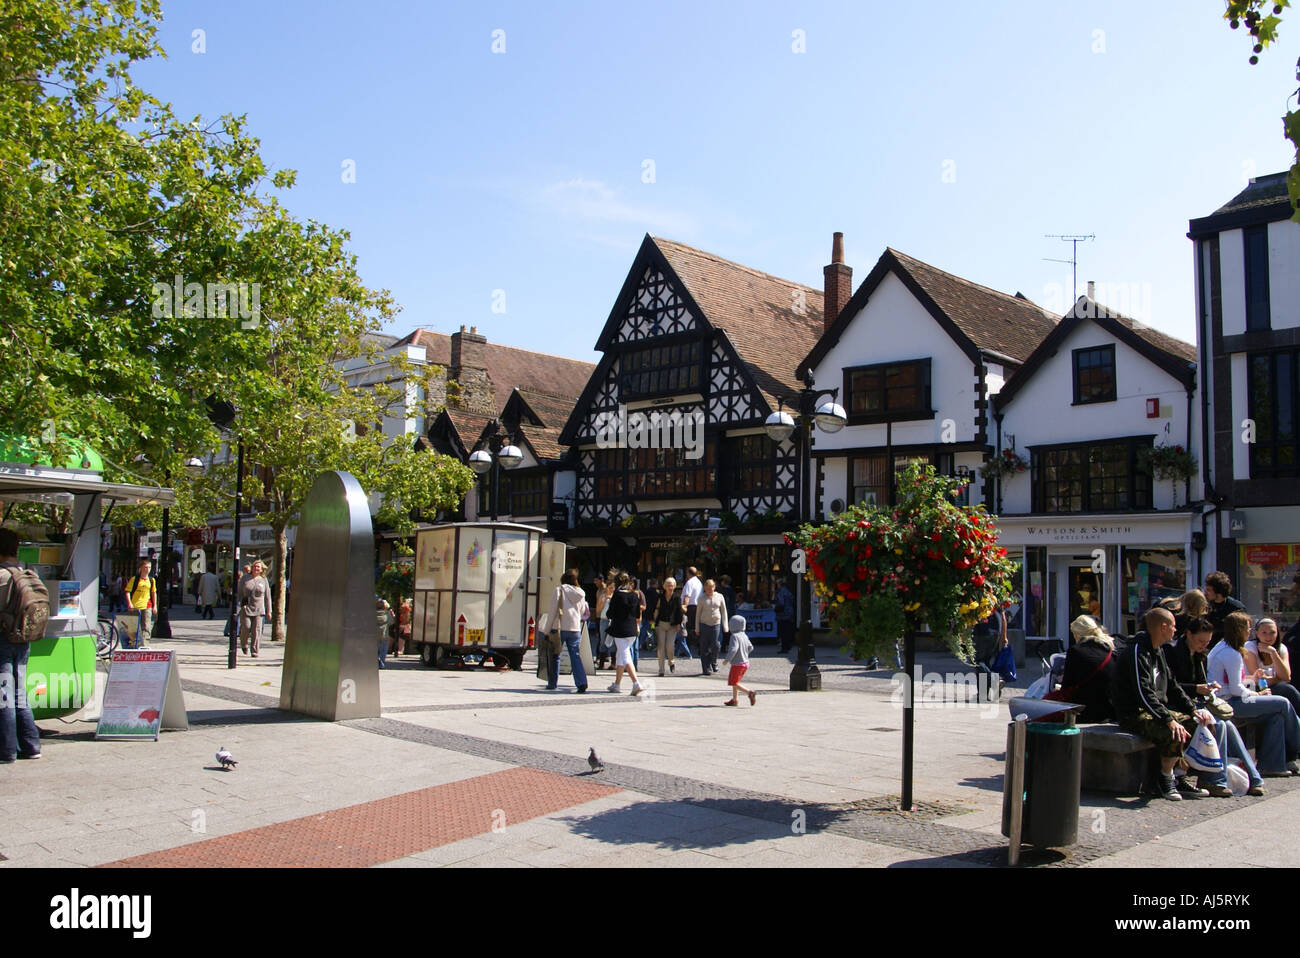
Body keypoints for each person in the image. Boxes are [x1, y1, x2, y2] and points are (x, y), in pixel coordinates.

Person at [1111, 607, 1234, 800]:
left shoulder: (1158, 650)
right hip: (1134, 712)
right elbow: (1143, 693)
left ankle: (1179, 776)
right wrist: (1168, 719)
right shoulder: (1137, 651)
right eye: (1173, 626)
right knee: (1174, 731)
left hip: (1155, 710)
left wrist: (1193, 710)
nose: (1175, 630)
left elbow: (1173, 686)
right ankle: (1165, 779)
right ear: (1163, 627)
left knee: (1195, 723)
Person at [1166, 616, 1266, 796]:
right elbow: (1171, 686)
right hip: (1179, 705)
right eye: (1200, 641)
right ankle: (1214, 780)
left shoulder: (1200, 655)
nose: (1203, 645)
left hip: (1196, 703)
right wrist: (1198, 689)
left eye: (1207, 642)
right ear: (1188, 634)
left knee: (1228, 726)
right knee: (1218, 725)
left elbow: (1201, 683)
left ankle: (1254, 778)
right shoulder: (1173, 652)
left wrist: (1209, 688)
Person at [1206, 611, 1300, 777]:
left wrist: (1252, 679)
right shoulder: (1231, 653)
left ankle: (1272, 765)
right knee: (1283, 703)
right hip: (1229, 703)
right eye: (1248, 629)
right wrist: (1257, 695)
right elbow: (1235, 690)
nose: (1249, 632)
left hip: (1233, 698)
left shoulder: (1226, 648)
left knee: (1276, 717)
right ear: (1239, 630)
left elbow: (1236, 681)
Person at [0, 529, 40, 762]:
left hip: (3, 640)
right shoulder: (28, 574)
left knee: (4, 695)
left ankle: (6, 750)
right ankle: (31, 745)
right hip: (23, 640)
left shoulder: (2, 577)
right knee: (18, 692)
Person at [1058, 615, 1122, 723]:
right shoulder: (1111, 648)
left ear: (1078, 634)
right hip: (1110, 710)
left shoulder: (1076, 651)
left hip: (1085, 711)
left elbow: (1067, 686)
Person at [1243, 617, 1300, 716]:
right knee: (1288, 691)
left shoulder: (1281, 648)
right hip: (1251, 689)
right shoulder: (1249, 647)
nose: (1268, 637)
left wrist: (1273, 653)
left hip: (1272, 687)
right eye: (1264, 633)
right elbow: (1259, 680)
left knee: (1290, 691)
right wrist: (1278, 678)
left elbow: (1286, 677)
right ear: (1257, 633)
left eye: (1272, 632)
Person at [546, 569, 589, 693]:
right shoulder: (581, 592)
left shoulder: (558, 590)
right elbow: (581, 611)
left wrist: (546, 630)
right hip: (575, 627)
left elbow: (553, 611)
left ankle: (552, 683)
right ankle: (581, 683)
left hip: (558, 627)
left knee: (555, 655)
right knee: (575, 655)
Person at [604, 573, 645, 696]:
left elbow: (610, 613)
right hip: (632, 629)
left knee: (625, 655)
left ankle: (636, 683)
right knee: (621, 655)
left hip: (620, 629)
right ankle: (617, 684)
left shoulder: (617, 595)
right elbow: (638, 614)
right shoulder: (634, 595)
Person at [650, 576, 684, 676]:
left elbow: (679, 612)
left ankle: (671, 662)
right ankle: (661, 670)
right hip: (661, 624)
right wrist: (652, 620)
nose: (670, 587)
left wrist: (678, 624)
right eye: (668, 585)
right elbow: (654, 608)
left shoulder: (677, 597)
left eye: (672, 585)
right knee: (661, 647)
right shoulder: (660, 596)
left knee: (669, 646)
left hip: (672, 625)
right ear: (665, 586)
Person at [696, 578, 729, 675]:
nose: (709, 590)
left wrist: (725, 626)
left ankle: (713, 661)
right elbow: (698, 614)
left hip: (716, 624)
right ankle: (705, 668)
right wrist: (697, 628)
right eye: (707, 588)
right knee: (704, 647)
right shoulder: (701, 598)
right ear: (705, 588)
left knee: (716, 645)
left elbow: (724, 611)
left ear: (714, 587)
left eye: (711, 587)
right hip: (704, 624)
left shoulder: (719, 596)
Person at [238, 560, 270, 657]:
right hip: (246, 608)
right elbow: (239, 593)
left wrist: (269, 611)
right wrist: (241, 604)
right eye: (255, 566)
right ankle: (243, 644)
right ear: (252, 567)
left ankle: (255, 651)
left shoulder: (264, 580)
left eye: (258, 567)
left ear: (261, 569)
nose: (256, 568)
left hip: (259, 609)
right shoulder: (245, 578)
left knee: (257, 630)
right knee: (246, 627)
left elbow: (268, 597)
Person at [722, 614, 756, 707]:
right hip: (745, 663)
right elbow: (750, 647)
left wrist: (727, 660)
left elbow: (733, 649)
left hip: (737, 664)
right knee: (736, 681)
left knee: (733, 682)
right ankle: (735, 700)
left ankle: (749, 692)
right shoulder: (744, 635)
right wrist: (744, 654)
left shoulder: (734, 636)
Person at [1204, 571, 1246, 644]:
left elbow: (1241, 633)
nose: (1205, 592)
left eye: (1209, 590)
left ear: (1218, 592)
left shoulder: (1236, 609)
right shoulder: (1205, 607)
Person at [123, 559, 157, 649]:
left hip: (147, 606)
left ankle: (145, 645)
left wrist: (155, 606)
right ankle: (133, 644)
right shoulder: (135, 579)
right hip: (135, 606)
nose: (147, 569)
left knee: (146, 626)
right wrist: (129, 603)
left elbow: (153, 593)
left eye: (149, 567)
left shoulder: (151, 580)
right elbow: (127, 591)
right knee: (133, 627)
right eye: (145, 567)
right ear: (141, 568)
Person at [681, 566, 703, 656]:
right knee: (696, 627)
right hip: (698, 606)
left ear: (688, 573)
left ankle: (688, 648)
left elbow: (687, 596)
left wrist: (683, 608)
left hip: (691, 607)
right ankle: (699, 647)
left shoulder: (690, 582)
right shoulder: (699, 582)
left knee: (689, 628)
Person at [774, 579, 795, 654]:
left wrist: (776, 609)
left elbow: (781, 603)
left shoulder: (780, 592)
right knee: (788, 630)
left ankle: (784, 648)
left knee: (783, 631)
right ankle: (788, 646)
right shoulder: (788, 591)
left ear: (779, 584)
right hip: (789, 613)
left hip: (783, 614)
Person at [376, 598, 393, 668]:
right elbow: (391, 622)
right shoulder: (387, 615)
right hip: (384, 636)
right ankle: (382, 664)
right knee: (383, 651)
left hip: (374, 637)